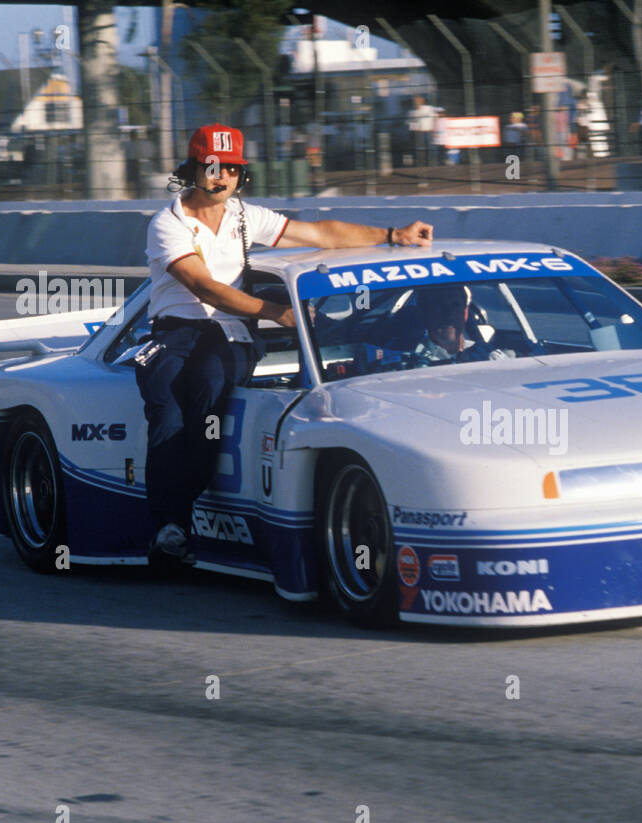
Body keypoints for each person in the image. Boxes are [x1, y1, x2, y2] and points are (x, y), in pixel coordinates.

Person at [141, 122, 434, 570]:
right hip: (175, 332)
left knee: (206, 393)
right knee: (165, 404)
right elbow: (206, 288)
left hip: (233, 334)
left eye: (233, 169)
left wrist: (393, 235)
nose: (223, 178)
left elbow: (321, 234)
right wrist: (276, 312)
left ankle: (176, 524)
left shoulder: (245, 216)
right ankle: (169, 526)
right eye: (213, 167)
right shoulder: (168, 224)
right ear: (193, 169)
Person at [409, 284, 509, 364]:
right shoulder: (412, 360)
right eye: (439, 306)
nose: (448, 313)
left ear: (466, 312)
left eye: (455, 306)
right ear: (425, 313)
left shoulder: (487, 354)